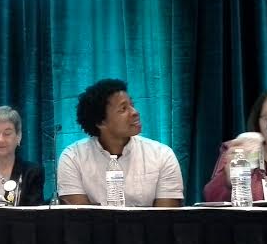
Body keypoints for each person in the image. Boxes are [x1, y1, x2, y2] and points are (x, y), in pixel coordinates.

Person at [57, 78, 183, 206]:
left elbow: (166, 217)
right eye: (123, 109)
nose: (135, 112)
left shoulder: (162, 155)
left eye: (132, 105)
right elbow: (79, 220)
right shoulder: (73, 158)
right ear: (101, 122)